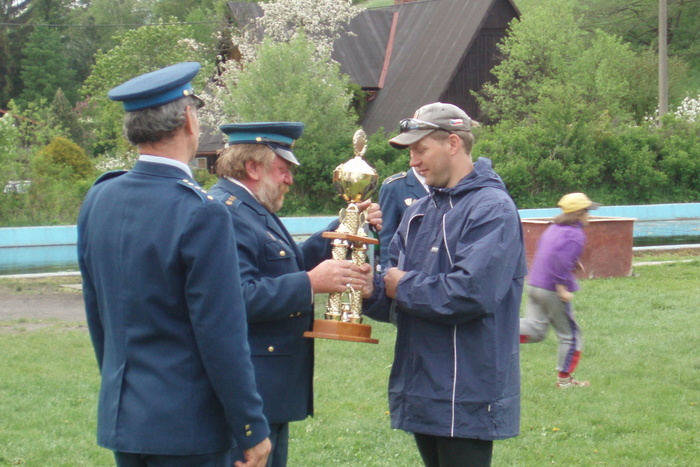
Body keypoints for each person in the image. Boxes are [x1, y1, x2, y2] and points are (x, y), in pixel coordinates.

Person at [77, 62, 271, 467]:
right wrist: (251, 427)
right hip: (188, 428)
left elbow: (99, 317)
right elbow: (221, 334)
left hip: (125, 418)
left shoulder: (99, 197)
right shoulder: (202, 212)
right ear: (188, 119)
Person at [360, 102, 527, 467]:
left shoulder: (492, 208)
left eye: (421, 150)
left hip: (466, 389)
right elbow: (397, 297)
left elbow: (471, 294)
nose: (413, 162)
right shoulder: (418, 211)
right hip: (421, 385)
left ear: (453, 143)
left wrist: (401, 286)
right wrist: (369, 290)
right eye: (410, 153)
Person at [208, 122, 382, 467]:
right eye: (283, 170)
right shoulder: (225, 212)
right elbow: (234, 298)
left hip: (267, 391)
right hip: (249, 392)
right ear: (253, 167)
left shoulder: (251, 207)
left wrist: (344, 225)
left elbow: (285, 263)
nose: (289, 179)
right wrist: (310, 283)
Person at [519, 192, 599, 389]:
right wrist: (562, 288)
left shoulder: (554, 228)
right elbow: (559, 260)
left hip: (535, 284)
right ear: (578, 213)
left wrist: (573, 262)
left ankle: (495, 332)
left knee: (535, 331)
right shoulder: (575, 234)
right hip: (552, 289)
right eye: (587, 211)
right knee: (570, 335)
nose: (589, 215)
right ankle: (564, 382)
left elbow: (550, 252)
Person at [377, 167, 428, 271]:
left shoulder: (447, 183)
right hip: (406, 269)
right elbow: (386, 236)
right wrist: (387, 273)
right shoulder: (394, 186)